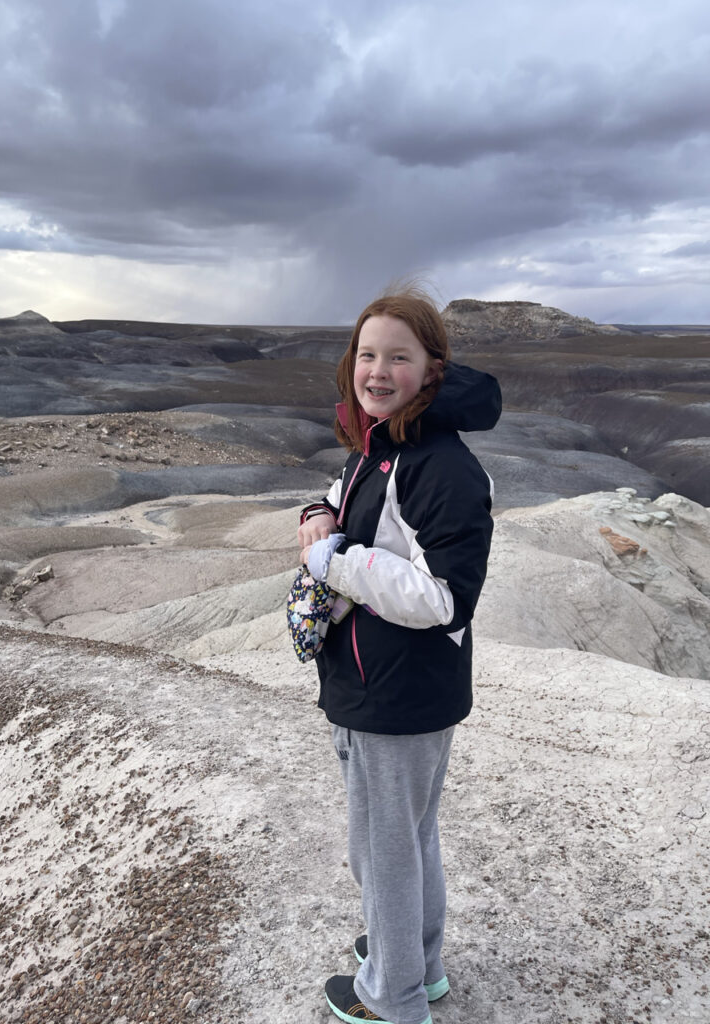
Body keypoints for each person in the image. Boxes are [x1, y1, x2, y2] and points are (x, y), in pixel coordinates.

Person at [297, 289, 501, 1024]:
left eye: (398, 357)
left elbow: (445, 598)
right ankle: (420, 962)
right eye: (367, 354)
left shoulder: (437, 465)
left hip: (397, 692)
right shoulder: (385, 444)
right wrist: (318, 515)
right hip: (383, 680)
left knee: (382, 852)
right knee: (408, 837)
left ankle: (393, 997)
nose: (377, 370)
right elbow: (344, 501)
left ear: (432, 369)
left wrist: (335, 561)